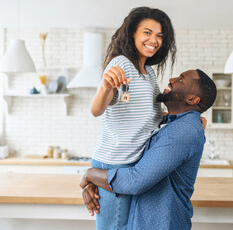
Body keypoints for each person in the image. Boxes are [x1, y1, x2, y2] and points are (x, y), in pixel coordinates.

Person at [81, 69, 217, 230]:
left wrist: (89, 175)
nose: (172, 80)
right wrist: (94, 181)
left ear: (192, 99)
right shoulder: (177, 125)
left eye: (180, 79)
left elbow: (136, 181)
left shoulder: (184, 130)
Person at [88, 6, 176, 230]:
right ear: (133, 34)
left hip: (131, 166)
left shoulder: (148, 72)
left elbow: (151, 118)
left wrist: (187, 119)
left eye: (159, 36)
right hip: (116, 163)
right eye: (147, 32)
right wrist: (106, 86)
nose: (154, 40)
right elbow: (97, 109)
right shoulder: (121, 64)